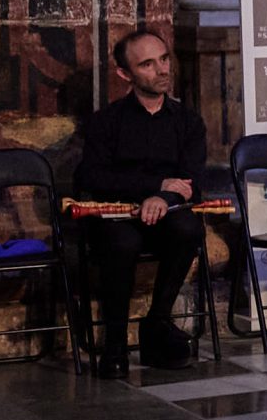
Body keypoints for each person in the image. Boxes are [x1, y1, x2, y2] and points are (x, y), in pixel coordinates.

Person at [74, 30, 208, 377]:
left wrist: (163, 198)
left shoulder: (188, 122)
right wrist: (153, 187)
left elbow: (191, 180)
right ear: (125, 74)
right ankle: (114, 345)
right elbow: (92, 178)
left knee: (189, 227)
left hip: (166, 215)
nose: (163, 70)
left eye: (164, 59)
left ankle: (157, 322)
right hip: (117, 217)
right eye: (147, 64)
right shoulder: (106, 122)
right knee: (123, 242)